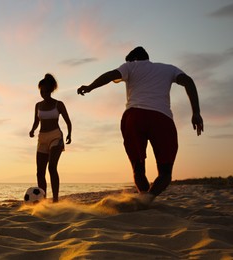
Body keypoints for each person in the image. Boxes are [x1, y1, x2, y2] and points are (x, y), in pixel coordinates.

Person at [77, 46, 203, 204]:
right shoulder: (169, 68)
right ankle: (148, 199)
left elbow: (110, 75)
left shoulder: (130, 66)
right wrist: (196, 112)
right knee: (165, 173)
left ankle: (144, 198)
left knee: (138, 168)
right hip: (162, 119)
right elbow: (188, 81)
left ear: (133, 59)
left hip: (134, 117)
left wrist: (89, 87)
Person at [29, 74, 72, 203]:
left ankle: (55, 200)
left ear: (51, 91)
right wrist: (32, 130)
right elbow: (36, 121)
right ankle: (42, 200)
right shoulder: (38, 105)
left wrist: (69, 134)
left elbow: (68, 121)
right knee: (39, 172)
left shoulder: (59, 104)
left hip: (55, 136)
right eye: (42, 91)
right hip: (42, 138)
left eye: (47, 91)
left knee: (52, 167)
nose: (44, 94)